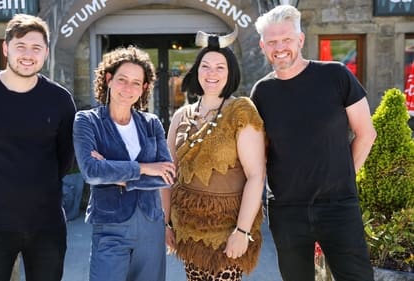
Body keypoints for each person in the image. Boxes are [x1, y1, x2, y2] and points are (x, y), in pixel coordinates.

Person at [251, 5, 377, 281]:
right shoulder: (262, 92)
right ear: (262, 46)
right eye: (272, 41)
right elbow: (260, 152)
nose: (280, 47)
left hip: (337, 205)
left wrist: (344, 177)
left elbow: (366, 133)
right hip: (287, 209)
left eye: (286, 39)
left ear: (300, 40)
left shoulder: (336, 75)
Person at [0, 14, 76, 281]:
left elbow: (65, 158)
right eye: (21, 46)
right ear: (6, 48)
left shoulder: (61, 100)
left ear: (45, 53)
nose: (28, 55)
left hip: (47, 224)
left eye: (36, 48)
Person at [162, 27, 266, 281]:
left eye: (220, 67)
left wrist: (242, 231)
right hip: (190, 232)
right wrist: (165, 224)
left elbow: (255, 175)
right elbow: (168, 174)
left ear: (230, 73)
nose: (212, 73)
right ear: (196, 71)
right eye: (205, 66)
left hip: (229, 232)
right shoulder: (181, 115)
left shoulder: (241, 111)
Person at [73, 46, 175, 281]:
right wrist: (145, 168)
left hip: (150, 225)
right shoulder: (87, 121)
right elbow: (91, 171)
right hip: (110, 227)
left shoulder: (151, 123)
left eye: (136, 83)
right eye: (122, 80)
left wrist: (114, 173)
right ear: (108, 79)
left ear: (144, 88)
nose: (128, 88)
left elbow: (166, 176)